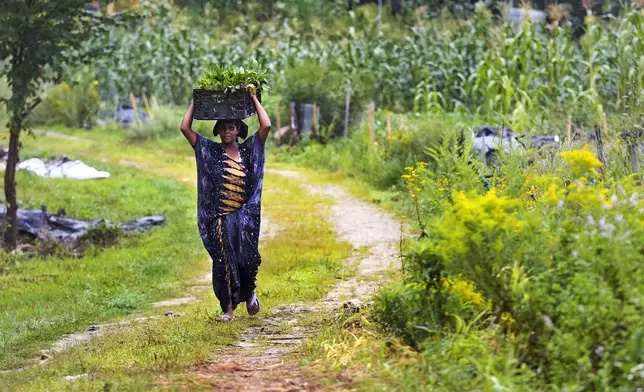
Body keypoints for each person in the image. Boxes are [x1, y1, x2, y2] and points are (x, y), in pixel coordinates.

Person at [180, 85, 271, 322]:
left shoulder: (250, 150)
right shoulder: (210, 151)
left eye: (231, 127)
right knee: (224, 262)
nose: (227, 131)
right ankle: (228, 311)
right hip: (220, 218)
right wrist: (196, 101)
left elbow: (266, 126)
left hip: (244, 218)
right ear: (218, 131)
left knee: (247, 260)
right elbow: (184, 128)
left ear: (238, 130)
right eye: (223, 128)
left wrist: (252, 96)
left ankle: (249, 292)